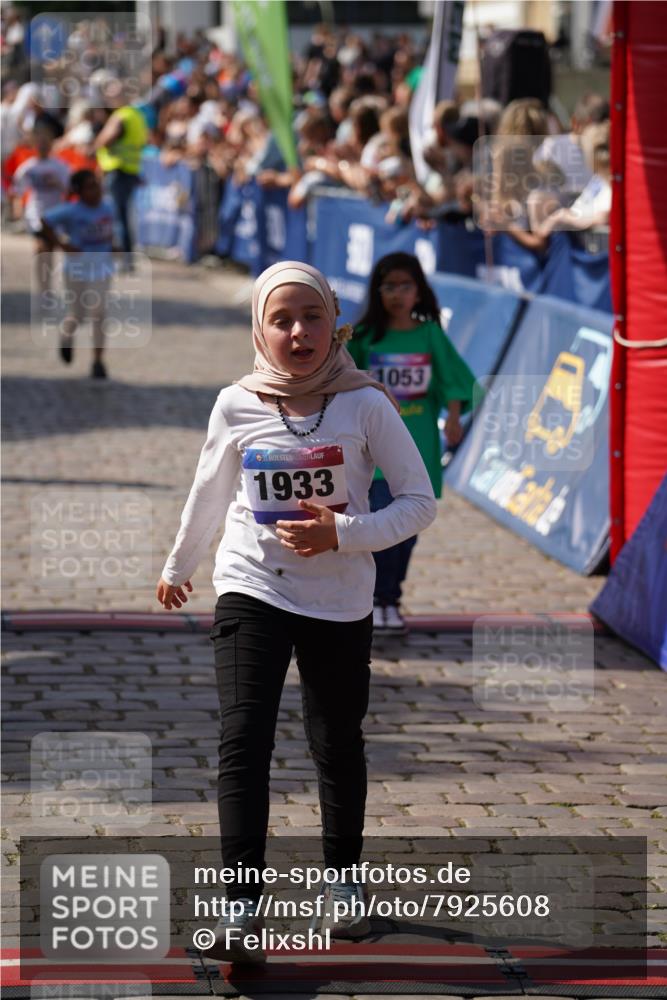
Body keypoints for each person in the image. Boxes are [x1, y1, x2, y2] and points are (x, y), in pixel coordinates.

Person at [155, 260, 436, 963]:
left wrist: (340, 533)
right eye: (280, 319)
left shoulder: (364, 403)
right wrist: (178, 566)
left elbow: (418, 502)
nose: (297, 332)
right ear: (258, 327)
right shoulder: (235, 403)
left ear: (334, 322)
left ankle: (343, 886)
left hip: (339, 599)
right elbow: (208, 490)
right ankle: (241, 906)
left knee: (335, 740)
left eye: (310, 316)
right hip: (252, 585)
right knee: (243, 737)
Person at [348, 252, 476, 634]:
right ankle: (380, 599)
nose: (397, 294)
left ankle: (390, 596)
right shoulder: (365, 338)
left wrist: (454, 416)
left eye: (405, 286)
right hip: (376, 451)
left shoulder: (430, 334)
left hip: (420, 446)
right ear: (377, 291)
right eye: (389, 286)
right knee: (383, 522)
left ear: (418, 291)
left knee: (409, 531)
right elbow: (342, 380)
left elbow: (453, 377)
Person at [40, 169, 115, 379]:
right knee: (78, 315)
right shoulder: (71, 211)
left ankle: (98, 361)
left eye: (98, 185)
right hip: (76, 269)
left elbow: (111, 231)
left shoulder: (108, 207)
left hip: (102, 268)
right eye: (91, 187)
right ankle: (66, 336)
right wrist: (60, 244)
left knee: (99, 314)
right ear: (80, 191)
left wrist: (115, 247)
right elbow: (45, 220)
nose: (97, 190)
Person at [12, 119, 70, 297]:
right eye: (39, 143)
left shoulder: (60, 166)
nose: (43, 147)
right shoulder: (28, 167)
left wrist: (58, 184)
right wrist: (18, 208)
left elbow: (69, 191)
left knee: (50, 250)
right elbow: (17, 190)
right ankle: (43, 288)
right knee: (41, 248)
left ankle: (47, 287)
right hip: (36, 212)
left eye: (46, 143)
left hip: (55, 212)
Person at [92, 85, 148, 271]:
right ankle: (127, 259)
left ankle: (122, 260)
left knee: (117, 217)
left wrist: (97, 143)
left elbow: (105, 140)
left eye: (111, 95)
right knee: (123, 216)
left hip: (118, 169)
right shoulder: (137, 116)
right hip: (131, 169)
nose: (109, 100)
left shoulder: (121, 116)